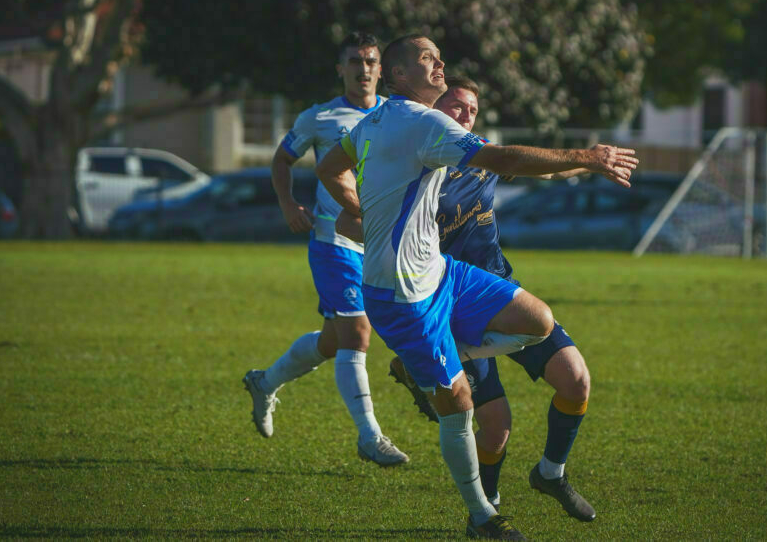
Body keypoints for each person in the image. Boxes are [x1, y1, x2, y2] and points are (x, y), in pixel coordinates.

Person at [315, 34, 638, 540]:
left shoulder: (378, 123)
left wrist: (590, 162)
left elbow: (329, 167)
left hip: (447, 275)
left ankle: (532, 457)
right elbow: (506, 159)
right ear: (400, 76)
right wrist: (588, 154)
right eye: (428, 59)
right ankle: (483, 516)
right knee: (462, 407)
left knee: (541, 322)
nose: (440, 63)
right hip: (405, 295)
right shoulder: (420, 123)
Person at [392, 75, 599, 521]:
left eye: (471, 108)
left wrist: (594, 162)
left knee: (576, 380)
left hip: (498, 294)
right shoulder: (417, 163)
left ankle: (551, 473)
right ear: (433, 109)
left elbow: (544, 168)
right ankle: (486, 512)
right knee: (496, 429)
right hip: (450, 306)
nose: (465, 114)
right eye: (455, 106)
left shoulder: (481, 154)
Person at [241, 31, 409, 467]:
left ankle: (265, 381)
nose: (364, 68)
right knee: (357, 334)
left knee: (334, 341)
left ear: (382, 68)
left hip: (378, 242)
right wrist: (287, 202)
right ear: (341, 68)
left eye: (372, 61)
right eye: (355, 60)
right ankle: (370, 437)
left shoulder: (396, 113)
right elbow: (282, 159)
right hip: (333, 239)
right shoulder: (320, 117)